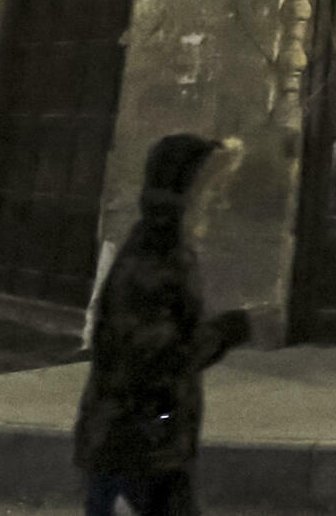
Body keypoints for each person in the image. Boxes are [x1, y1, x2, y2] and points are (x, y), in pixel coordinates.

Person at [76, 134, 252, 516]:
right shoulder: (157, 254)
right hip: (135, 449)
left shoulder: (166, 246)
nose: (219, 198)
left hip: (150, 443)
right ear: (185, 191)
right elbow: (154, 355)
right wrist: (229, 331)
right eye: (211, 187)